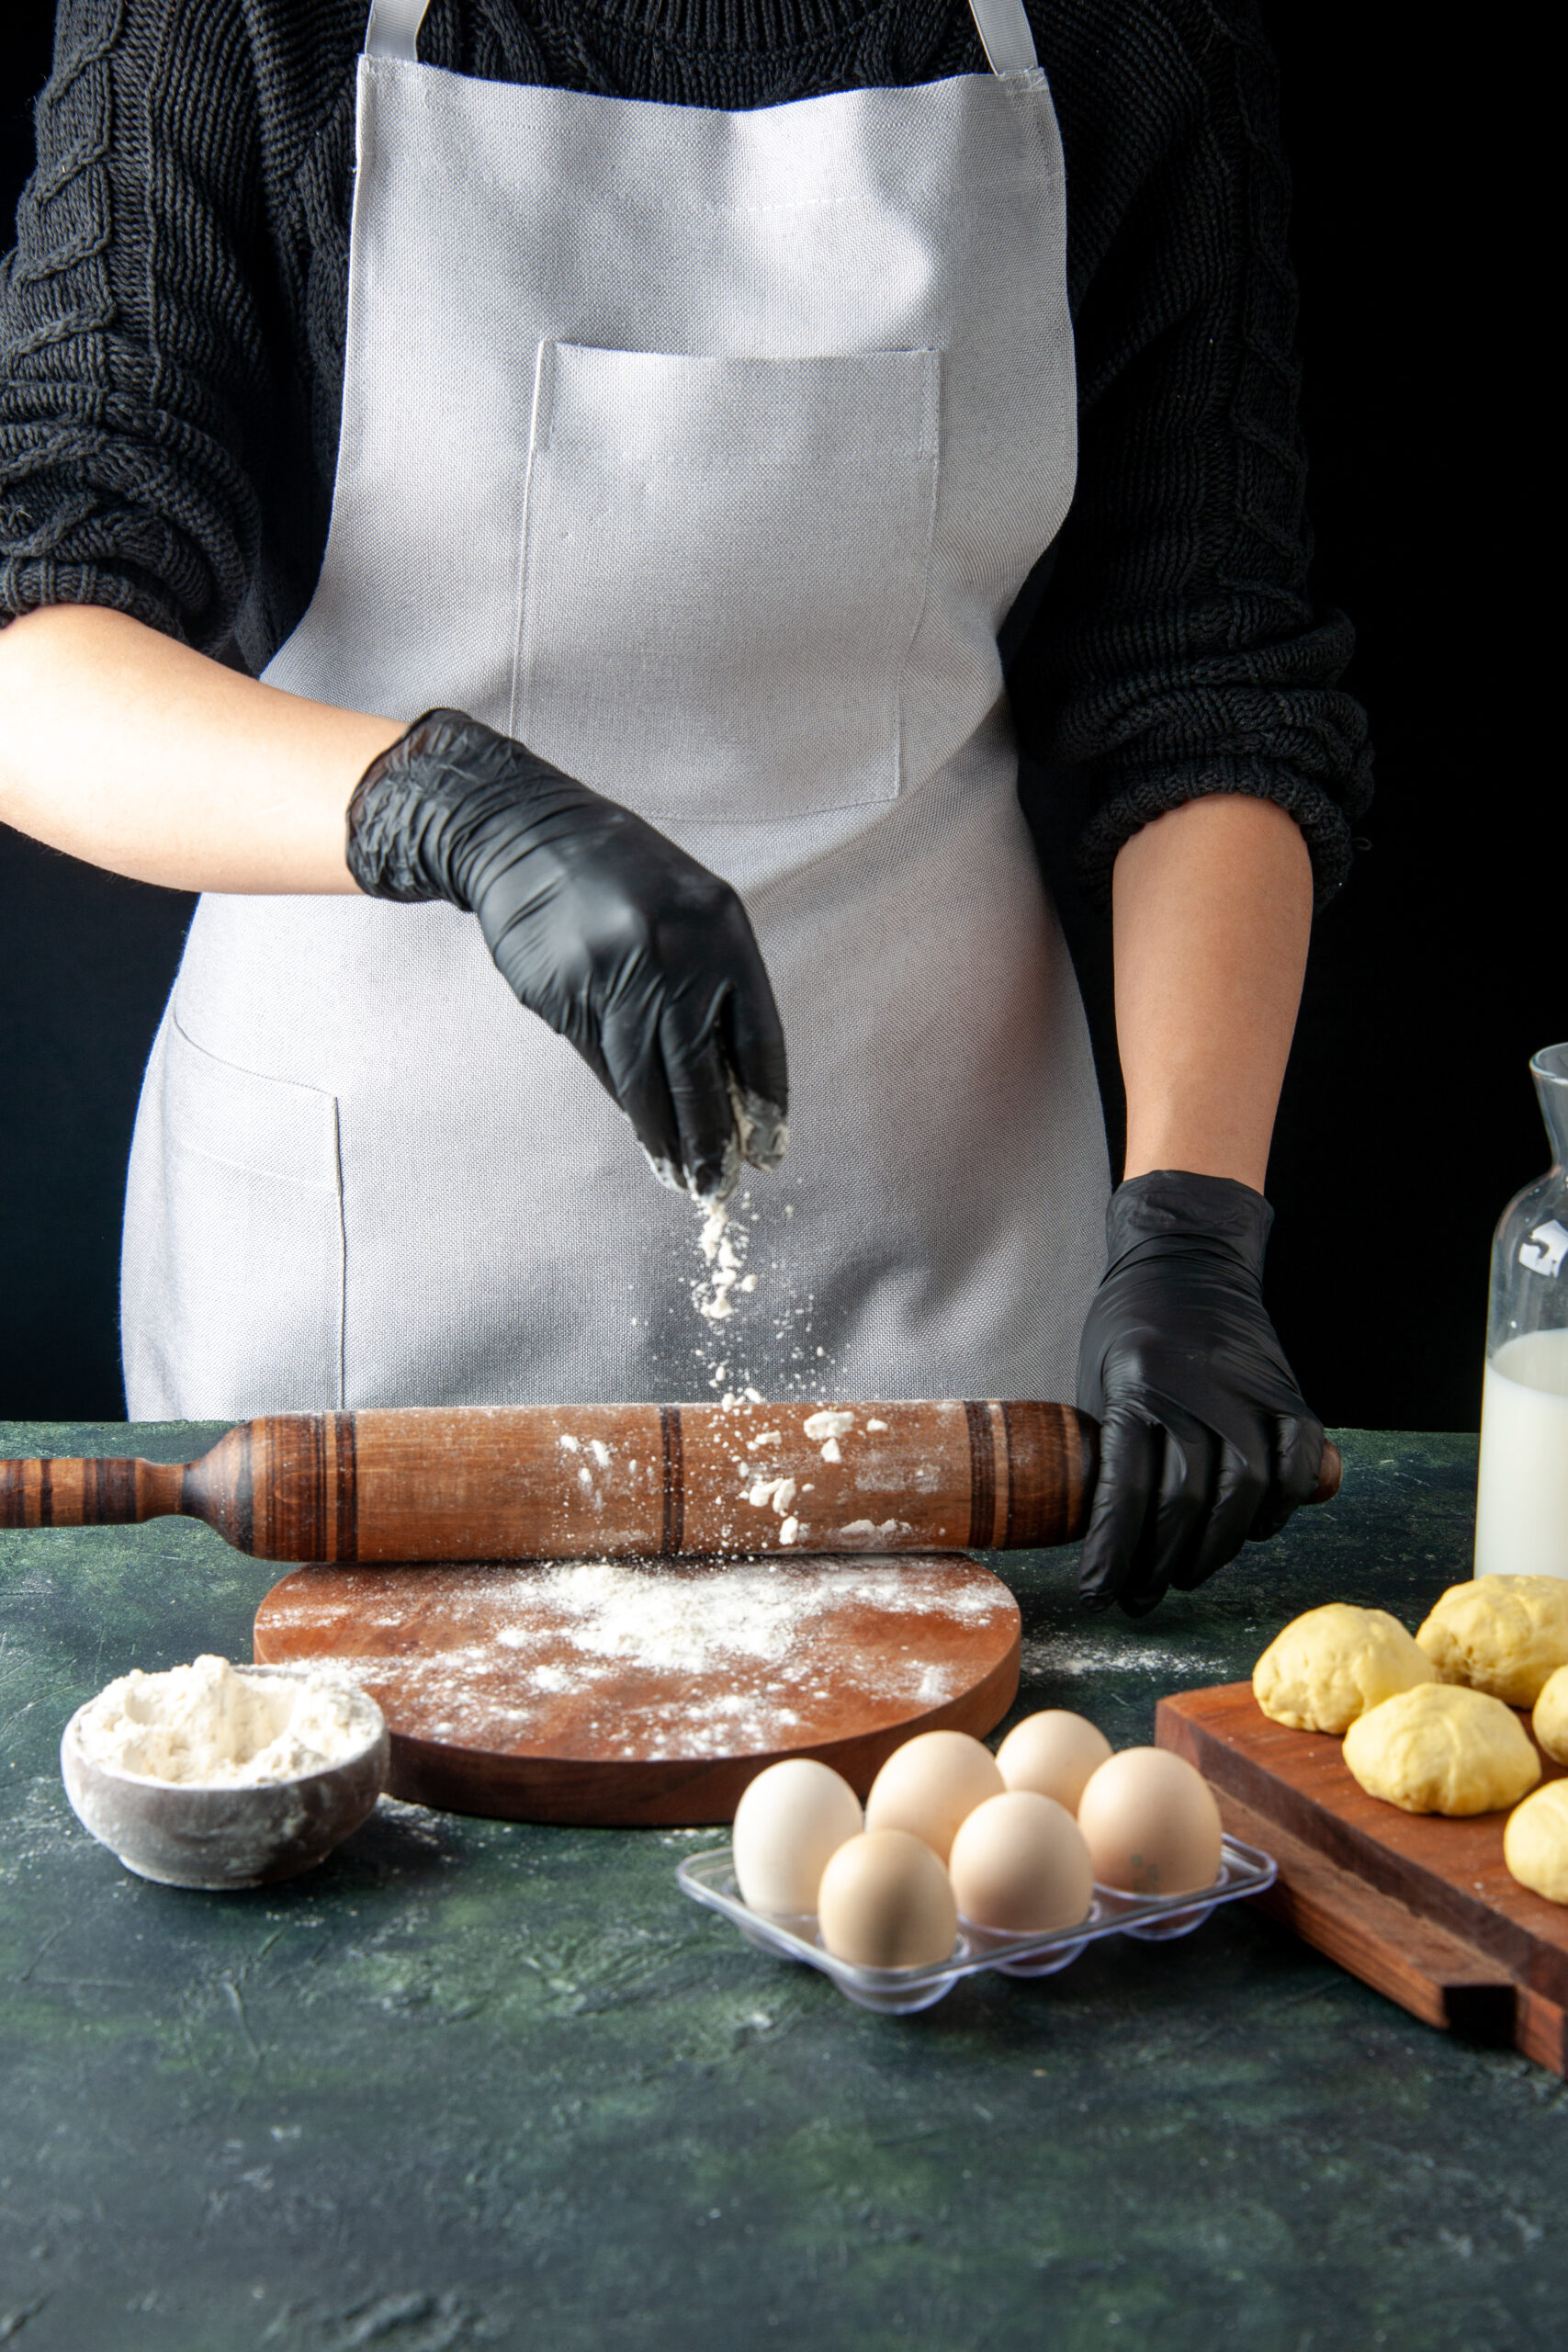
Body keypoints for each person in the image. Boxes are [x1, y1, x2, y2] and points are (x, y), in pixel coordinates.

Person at [0, 0, 1371, 1614]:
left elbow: (1205, 681)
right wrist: (453, 810)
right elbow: (36, 654)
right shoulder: (233, 23)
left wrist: (1197, 1223)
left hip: (936, 1251)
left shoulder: (1126, 38)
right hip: (369, 1277)